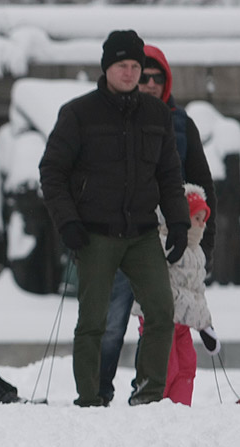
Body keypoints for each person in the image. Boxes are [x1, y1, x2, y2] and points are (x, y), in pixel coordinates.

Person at [39, 29, 190, 407]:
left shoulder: (157, 114)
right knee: (94, 321)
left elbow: (170, 174)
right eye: (122, 65)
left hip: (142, 233)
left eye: (135, 66)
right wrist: (67, 221)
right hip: (94, 234)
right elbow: (52, 171)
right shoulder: (78, 113)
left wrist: (180, 223)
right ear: (107, 67)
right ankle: (90, 397)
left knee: (160, 311)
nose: (129, 73)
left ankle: (149, 392)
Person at [98, 43, 217, 406]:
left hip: (172, 239)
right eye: (143, 75)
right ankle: (98, 393)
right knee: (111, 321)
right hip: (121, 233)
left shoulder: (181, 123)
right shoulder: (109, 117)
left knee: (167, 319)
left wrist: (202, 243)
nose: (148, 83)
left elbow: (204, 183)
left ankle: (155, 394)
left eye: (156, 77)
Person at [132, 184, 220, 406]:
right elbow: (158, 287)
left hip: (183, 324)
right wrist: (191, 311)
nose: (202, 225)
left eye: (204, 219)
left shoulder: (198, 254)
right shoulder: (163, 245)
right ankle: (152, 405)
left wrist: (206, 326)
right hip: (160, 321)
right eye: (196, 218)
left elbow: (198, 292)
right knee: (165, 366)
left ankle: (179, 409)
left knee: (187, 364)